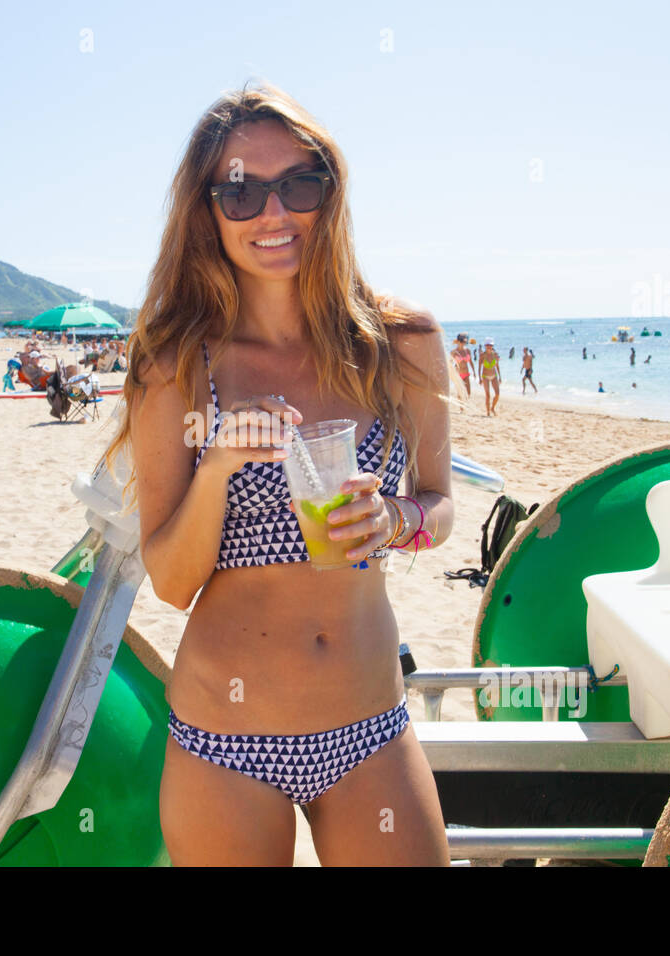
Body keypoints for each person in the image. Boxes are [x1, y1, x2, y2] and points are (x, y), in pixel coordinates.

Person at [102, 84, 451, 865]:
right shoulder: (176, 365)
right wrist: (219, 466)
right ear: (207, 210)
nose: (273, 213)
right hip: (226, 741)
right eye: (240, 191)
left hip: (370, 729)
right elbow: (171, 579)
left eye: (299, 184)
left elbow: (441, 504)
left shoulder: (403, 343)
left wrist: (398, 519)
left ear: (330, 193)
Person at [449, 334, 473, 410]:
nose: (464, 343)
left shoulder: (467, 350)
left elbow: (470, 362)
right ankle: (461, 408)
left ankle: (463, 404)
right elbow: (450, 363)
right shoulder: (454, 352)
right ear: (458, 341)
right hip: (458, 374)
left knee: (468, 392)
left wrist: (474, 372)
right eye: (462, 341)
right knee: (460, 392)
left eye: (465, 342)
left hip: (466, 373)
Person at [480, 338, 501, 416]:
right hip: (485, 376)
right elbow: (479, 366)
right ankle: (488, 412)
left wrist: (500, 377)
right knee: (488, 395)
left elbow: (497, 366)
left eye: (491, 345)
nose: (489, 346)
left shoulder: (495, 354)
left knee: (497, 394)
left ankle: (492, 408)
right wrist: (479, 378)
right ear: (485, 346)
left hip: (494, 376)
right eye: (488, 345)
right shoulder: (482, 355)